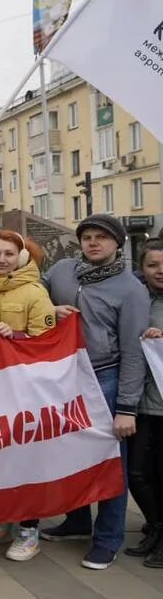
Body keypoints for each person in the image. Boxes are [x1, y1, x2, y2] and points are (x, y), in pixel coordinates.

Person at [40, 214, 149, 570]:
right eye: (87, 236)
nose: (93, 242)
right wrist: (49, 309)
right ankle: (76, 521)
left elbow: (134, 350)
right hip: (64, 378)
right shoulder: (62, 271)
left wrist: (127, 407)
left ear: (117, 242)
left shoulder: (131, 289)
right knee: (72, 454)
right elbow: (30, 294)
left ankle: (107, 539)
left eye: (102, 237)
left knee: (109, 463)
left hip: (105, 378)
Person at [0, 230, 56, 561]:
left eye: (8, 253)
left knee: (26, 463)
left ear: (21, 257)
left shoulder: (35, 293)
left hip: (25, 392)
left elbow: (48, 343)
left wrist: (16, 335)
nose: (2, 259)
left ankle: (28, 530)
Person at [127, 239, 163, 568]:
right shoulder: (138, 298)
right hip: (142, 401)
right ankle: (156, 526)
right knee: (137, 473)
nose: (160, 271)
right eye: (152, 265)